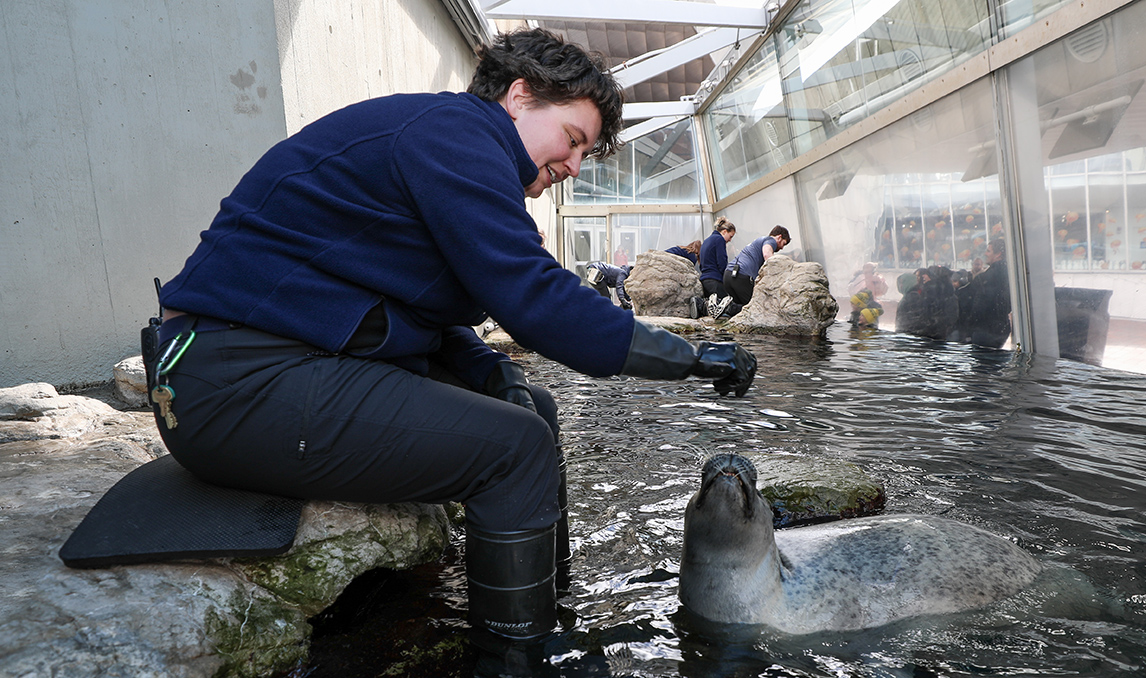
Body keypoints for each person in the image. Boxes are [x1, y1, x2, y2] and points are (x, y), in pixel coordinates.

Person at [145, 28, 756, 678]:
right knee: (513, 449)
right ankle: (513, 657)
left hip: (257, 370)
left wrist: (498, 377)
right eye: (573, 139)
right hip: (230, 383)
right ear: (519, 97)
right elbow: (535, 297)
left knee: (534, 411)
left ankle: (551, 614)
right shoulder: (458, 137)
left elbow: (427, 319)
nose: (575, 166)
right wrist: (692, 357)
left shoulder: (446, 141)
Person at [720, 225, 792, 318]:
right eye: (784, 243)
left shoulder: (758, 242)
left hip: (728, 275)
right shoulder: (770, 240)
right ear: (779, 237)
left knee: (741, 310)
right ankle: (727, 308)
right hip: (741, 277)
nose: (782, 248)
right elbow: (767, 255)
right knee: (755, 308)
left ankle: (726, 308)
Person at [964, 238, 1011, 347]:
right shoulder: (1009, 273)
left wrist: (971, 325)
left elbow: (978, 304)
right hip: (1000, 327)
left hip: (985, 329)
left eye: (988, 251)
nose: (985, 254)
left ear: (998, 254)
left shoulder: (988, 277)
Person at [688, 217, 736, 319]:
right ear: (724, 232)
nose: (730, 240)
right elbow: (721, 261)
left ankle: (701, 304)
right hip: (715, 280)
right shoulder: (719, 240)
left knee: (713, 305)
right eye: (730, 236)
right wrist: (727, 278)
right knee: (726, 306)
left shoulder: (707, 240)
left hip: (705, 279)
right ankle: (699, 304)